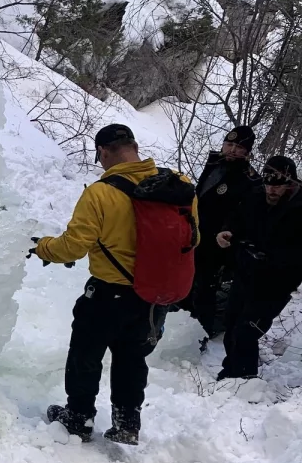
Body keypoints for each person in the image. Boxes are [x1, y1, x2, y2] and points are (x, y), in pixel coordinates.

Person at [31, 124, 199, 445]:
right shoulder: (179, 187)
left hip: (109, 294)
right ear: (134, 147)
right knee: (132, 357)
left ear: (104, 152)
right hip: (153, 295)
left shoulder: (100, 192)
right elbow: (193, 238)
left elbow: (74, 246)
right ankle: (127, 422)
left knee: (86, 354)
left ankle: (79, 418)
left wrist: (43, 247)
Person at [215, 155, 302, 380]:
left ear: (290, 183)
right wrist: (228, 232)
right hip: (246, 273)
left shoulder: (299, 208)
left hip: (276, 283)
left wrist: (271, 259)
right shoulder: (255, 196)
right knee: (231, 324)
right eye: (268, 184)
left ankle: (243, 379)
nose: (271, 190)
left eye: (278, 186)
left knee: (247, 330)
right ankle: (232, 373)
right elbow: (236, 218)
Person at [180, 126, 260, 343]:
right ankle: (179, 321)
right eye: (229, 144)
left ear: (248, 152)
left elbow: (244, 214)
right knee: (186, 277)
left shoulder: (250, 180)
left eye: (239, 147)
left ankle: (200, 331)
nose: (232, 150)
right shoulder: (215, 164)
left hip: (219, 241)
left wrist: (228, 232)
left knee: (205, 285)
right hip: (195, 232)